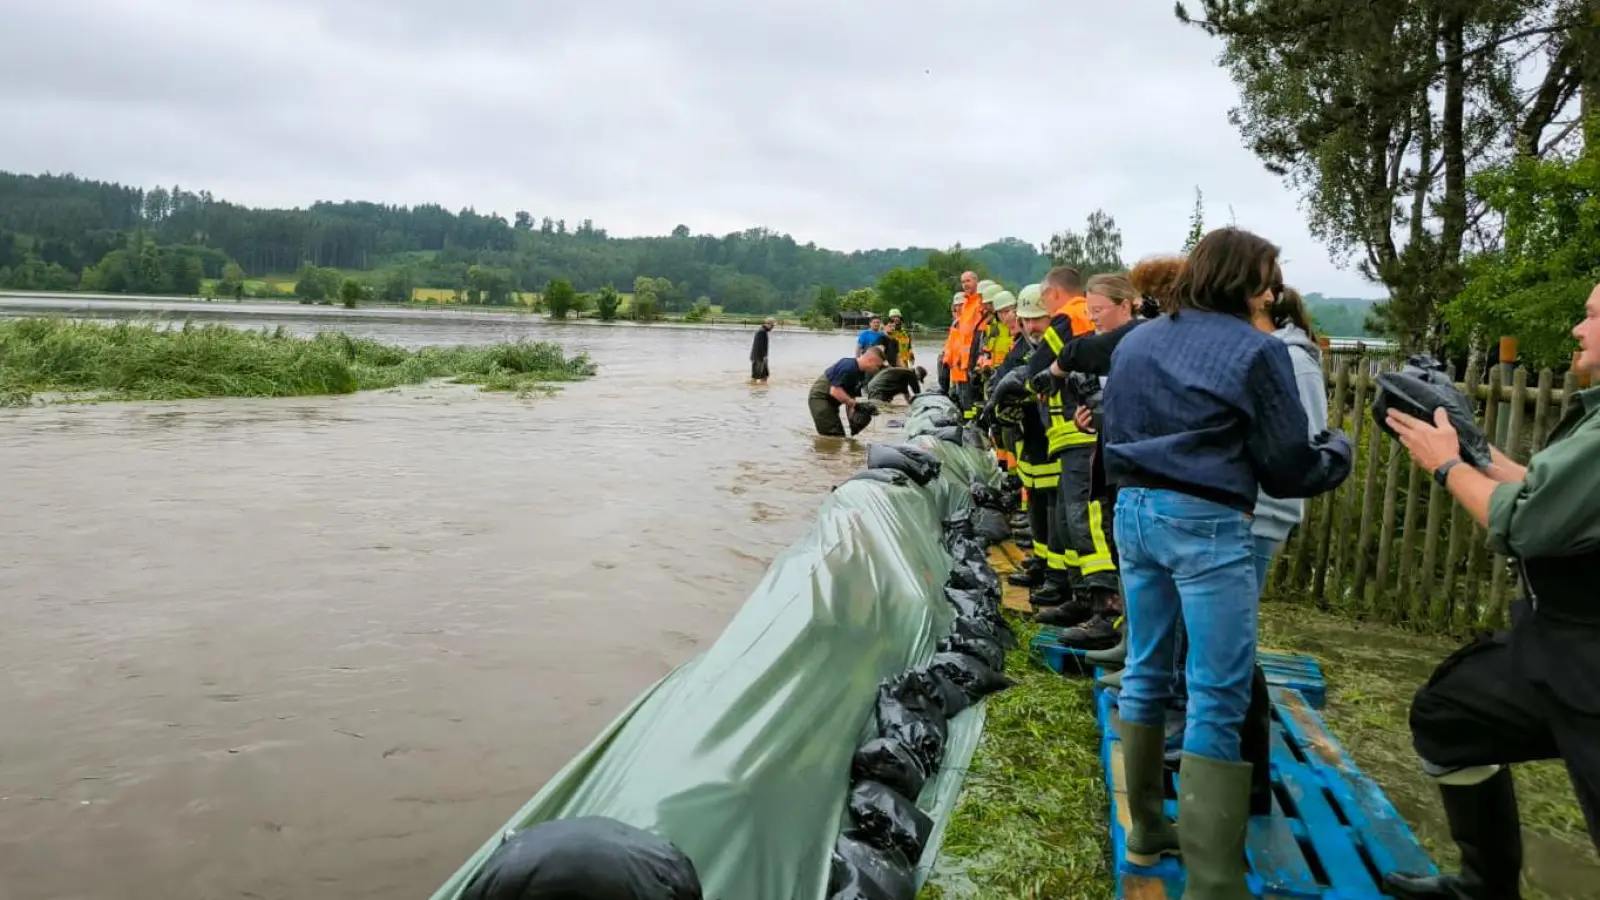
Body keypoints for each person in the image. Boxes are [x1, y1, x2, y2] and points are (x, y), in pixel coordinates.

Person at [1103, 227, 1352, 899]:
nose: (1275, 291)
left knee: (1146, 667)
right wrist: (1340, 450)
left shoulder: (1136, 342)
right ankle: (1213, 882)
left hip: (1133, 512)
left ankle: (1148, 832)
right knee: (1217, 687)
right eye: (1269, 279)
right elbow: (1288, 465)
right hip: (1207, 522)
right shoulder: (1257, 350)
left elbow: (1111, 431)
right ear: (1246, 282)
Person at [1377, 286, 1600, 900]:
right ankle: (1484, 886)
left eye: (1590, 316)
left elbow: (1525, 523)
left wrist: (1448, 466)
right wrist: (1471, 445)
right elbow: (1545, 494)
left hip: (1592, 665)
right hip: (1559, 648)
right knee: (1453, 714)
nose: (1578, 329)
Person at [1034, 273, 1145, 648]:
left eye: (1098, 310)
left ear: (1126, 305)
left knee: (1099, 529)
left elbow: (1077, 355)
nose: (1092, 317)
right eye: (1090, 309)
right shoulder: (1110, 343)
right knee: (1093, 526)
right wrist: (1092, 415)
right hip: (1107, 448)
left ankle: (1110, 613)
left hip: (1132, 459)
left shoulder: (1140, 338)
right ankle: (1097, 608)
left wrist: (1054, 371)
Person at [1025, 266, 1104, 626]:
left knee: (1078, 520)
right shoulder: (1087, 317)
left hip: (1077, 433)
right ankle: (1079, 593)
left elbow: (1036, 375)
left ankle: (1095, 603)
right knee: (1069, 518)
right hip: (1078, 433)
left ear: (1053, 293)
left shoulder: (1067, 319)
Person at [982, 285, 1062, 596]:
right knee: (1038, 503)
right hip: (1031, 437)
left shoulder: (1058, 347)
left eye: (1038, 319)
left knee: (1056, 510)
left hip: (1053, 440)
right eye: (1027, 320)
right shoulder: (1025, 347)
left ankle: (1057, 576)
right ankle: (1042, 562)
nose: (1032, 326)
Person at [808, 345, 886, 436]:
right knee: (835, 436)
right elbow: (835, 391)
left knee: (839, 436)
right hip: (820, 399)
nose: (877, 369)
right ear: (870, 360)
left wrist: (852, 422)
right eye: (877, 366)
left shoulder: (861, 374)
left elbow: (850, 397)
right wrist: (857, 405)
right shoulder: (848, 366)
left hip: (831, 403)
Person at [944, 271, 986, 411]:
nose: (965, 284)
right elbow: (960, 338)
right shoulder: (967, 304)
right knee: (965, 402)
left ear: (976, 281)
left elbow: (979, 334)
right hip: (962, 362)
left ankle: (972, 426)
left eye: (968, 281)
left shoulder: (979, 303)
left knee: (972, 401)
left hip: (973, 360)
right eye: (963, 282)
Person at [750, 317, 774, 383]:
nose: (772, 328)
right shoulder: (762, 332)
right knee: (755, 377)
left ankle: (762, 391)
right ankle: (755, 390)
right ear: (768, 324)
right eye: (772, 326)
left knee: (764, 376)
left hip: (759, 357)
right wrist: (764, 356)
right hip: (759, 358)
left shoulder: (762, 331)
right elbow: (759, 345)